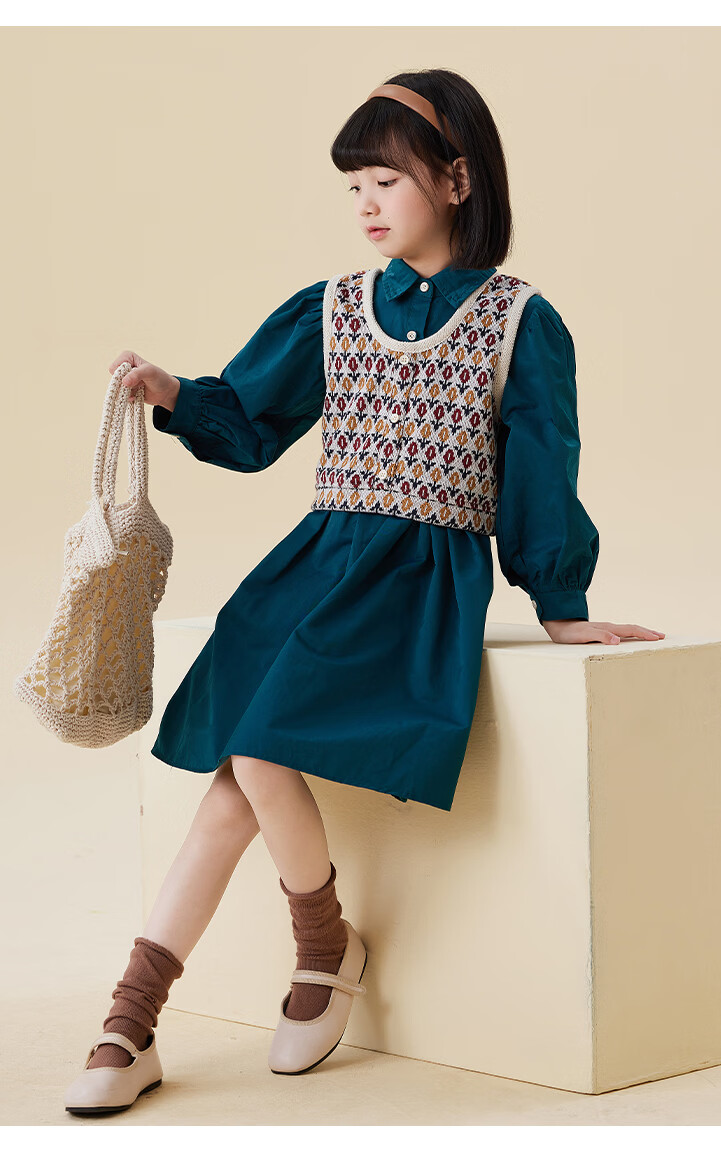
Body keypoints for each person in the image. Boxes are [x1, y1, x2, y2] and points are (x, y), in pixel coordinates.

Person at [64, 67, 665, 1115]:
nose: (367, 204)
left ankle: (318, 943)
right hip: (311, 570)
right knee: (233, 780)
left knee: (256, 749)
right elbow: (251, 421)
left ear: (458, 180)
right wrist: (176, 395)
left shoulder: (518, 321)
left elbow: (543, 463)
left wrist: (561, 603)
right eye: (354, 186)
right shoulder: (335, 307)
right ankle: (135, 1016)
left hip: (413, 586)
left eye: (387, 180)